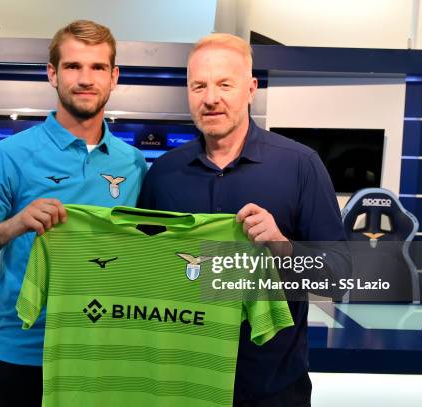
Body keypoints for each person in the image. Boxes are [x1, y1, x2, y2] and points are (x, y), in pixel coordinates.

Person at [0, 20, 147, 407]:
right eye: (72, 66)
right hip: (24, 356)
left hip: (106, 356)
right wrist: (13, 226)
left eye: (98, 67)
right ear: (52, 73)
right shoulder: (8, 156)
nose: (86, 78)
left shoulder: (134, 163)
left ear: (114, 76)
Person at [138, 33, 350, 406]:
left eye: (224, 84)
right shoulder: (163, 174)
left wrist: (280, 245)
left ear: (251, 89)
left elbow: (340, 278)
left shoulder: (300, 165)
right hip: (180, 385)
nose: (210, 98)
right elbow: (144, 273)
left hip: (272, 390)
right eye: (198, 85)